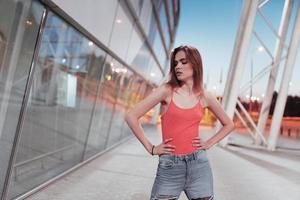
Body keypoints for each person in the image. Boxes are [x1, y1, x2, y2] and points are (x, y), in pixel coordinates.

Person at [125, 45, 235, 200]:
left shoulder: (205, 96)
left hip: (199, 165)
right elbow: (131, 116)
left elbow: (229, 124)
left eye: (183, 62)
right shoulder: (166, 91)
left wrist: (209, 143)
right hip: (170, 166)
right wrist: (151, 148)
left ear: (195, 64)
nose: (178, 66)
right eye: (175, 63)